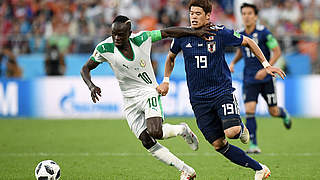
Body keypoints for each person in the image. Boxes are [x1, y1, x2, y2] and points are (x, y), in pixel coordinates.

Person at [157, 0, 286, 179]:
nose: (193, 17)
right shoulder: (182, 35)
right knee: (219, 144)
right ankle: (260, 169)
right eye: (191, 13)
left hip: (221, 92)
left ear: (208, 16)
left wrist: (266, 65)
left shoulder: (219, 32)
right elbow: (170, 58)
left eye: (198, 14)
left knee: (232, 132)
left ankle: (240, 127)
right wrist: (165, 80)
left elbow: (248, 41)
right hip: (198, 99)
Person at [80, 15, 214, 180]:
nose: (116, 38)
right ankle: (186, 170)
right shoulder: (104, 48)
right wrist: (91, 86)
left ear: (130, 33)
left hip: (148, 91)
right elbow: (85, 68)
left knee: (155, 131)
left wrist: (194, 32)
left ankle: (182, 129)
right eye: (114, 33)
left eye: (121, 34)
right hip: (129, 99)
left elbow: (167, 32)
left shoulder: (142, 39)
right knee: (146, 141)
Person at [229, 3, 292, 154]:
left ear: (256, 16)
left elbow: (277, 51)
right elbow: (241, 51)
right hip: (249, 79)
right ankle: (253, 145)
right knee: (250, 110)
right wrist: (232, 63)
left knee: (273, 111)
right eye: (244, 13)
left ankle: (283, 114)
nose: (246, 16)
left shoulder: (264, 33)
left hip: (266, 79)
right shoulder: (240, 34)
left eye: (249, 13)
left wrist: (266, 69)